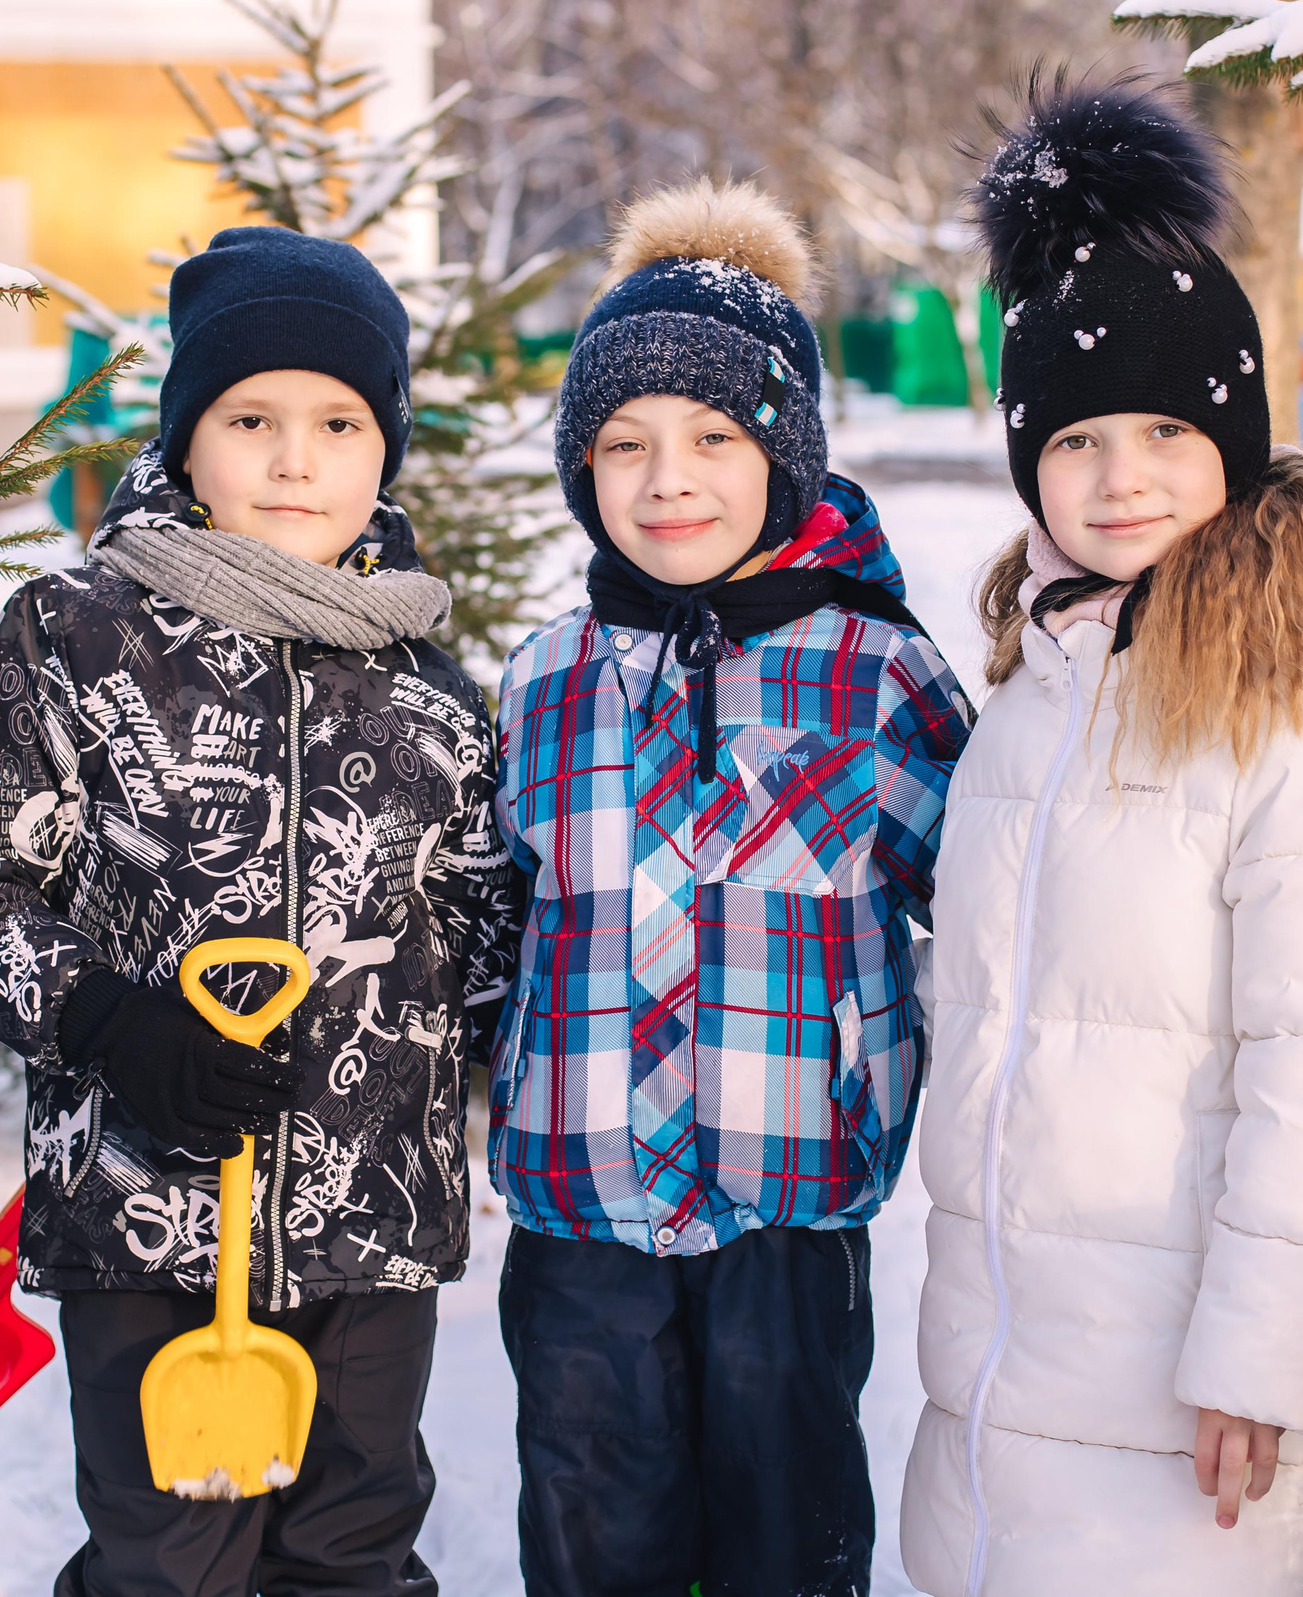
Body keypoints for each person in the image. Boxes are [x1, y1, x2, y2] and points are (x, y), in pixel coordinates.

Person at [0, 227, 521, 1597]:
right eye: (253, 418)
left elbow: (483, 937)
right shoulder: (75, 634)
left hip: (373, 1219)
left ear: (384, 450)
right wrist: (110, 1022)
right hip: (143, 1213)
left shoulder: (432, 687)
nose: (297, 459)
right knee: (166, 1565)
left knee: (352, 1556)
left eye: (339, 422)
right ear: (190, 443)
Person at [897, 83, 1303, 1597]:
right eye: (1074, 440)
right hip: (1008, 1371)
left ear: (1234, 441)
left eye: (1162, 431)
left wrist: (1262, 1354)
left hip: (1190, 1395)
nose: (1119, 474)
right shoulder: (1035, 692)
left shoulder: (1293, 708)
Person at [488, 178, 973, 1597]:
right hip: (581, 1212)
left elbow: (995, 903)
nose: (667, 480)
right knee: (594, 1541)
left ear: (787, 457)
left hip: (791, 1202)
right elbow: (488, 916)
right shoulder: (545, 677)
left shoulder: (877, 672)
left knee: (787, 1541)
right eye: (623, 445)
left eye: (713, 438)